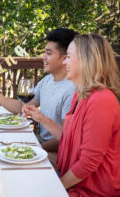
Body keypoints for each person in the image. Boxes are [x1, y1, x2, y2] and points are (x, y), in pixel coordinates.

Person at [24, 34, 120, 196]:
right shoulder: (81, 94)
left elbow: (88, 163)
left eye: (68, 57)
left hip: (92, 190)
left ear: (86, 60)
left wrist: (56, 187)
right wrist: (41, 118)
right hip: (72, 180)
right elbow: (67, 136)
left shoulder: (101, 100)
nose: (64, 62)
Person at [0, 28, 78, 154]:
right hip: (40, 144)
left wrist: (36, 148)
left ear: (64, 58)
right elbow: (23, 107)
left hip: (56, 153)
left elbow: (66, 138)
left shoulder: (71, 90)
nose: (43, 57)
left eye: (48, 53)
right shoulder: (47, 81)